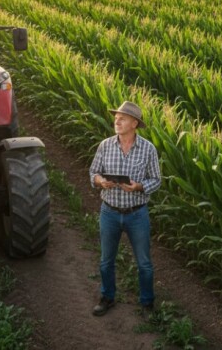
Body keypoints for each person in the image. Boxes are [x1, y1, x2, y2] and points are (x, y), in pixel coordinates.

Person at [89, 101, 161, 318]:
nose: (117, 121)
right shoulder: (105, 145)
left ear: (134, 123)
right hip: (109, 212)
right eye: (116, 117)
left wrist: (138, 186)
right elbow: (93, 172)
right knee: (106, 261)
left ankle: (147, 303)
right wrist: (101, 181)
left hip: (137, 214)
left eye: (123, 118)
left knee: (144, 264)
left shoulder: (148, 149)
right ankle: (107, 297)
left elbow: (157, 180)